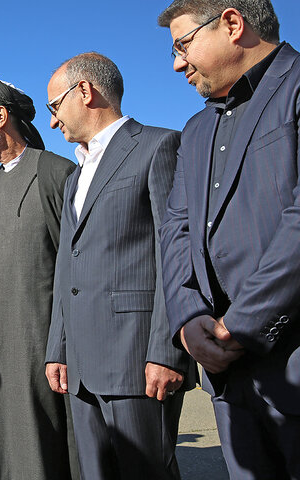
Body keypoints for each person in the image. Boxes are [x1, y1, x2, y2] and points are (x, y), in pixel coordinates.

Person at [157, 1, 300, 477]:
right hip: (227, 380)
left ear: (233, 24)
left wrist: (242, 324)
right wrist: (189, 316)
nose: (177, 63)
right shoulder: (196, 130)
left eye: (183, 44)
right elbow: (175, 226)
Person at [43, 53, 195, 480]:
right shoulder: (75, 175)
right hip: (81, 369)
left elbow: (175, 254)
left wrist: (167, 351)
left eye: (55, 106)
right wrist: (58, 347)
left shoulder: (159, 146)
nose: (53, 122)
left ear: (85, 91)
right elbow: (66, 266)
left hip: (137, 362)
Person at [0, 74, 76, 480]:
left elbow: (75, 263)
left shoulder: (55, 173)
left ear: (1, 115)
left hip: (35, 345)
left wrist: (61, 344)